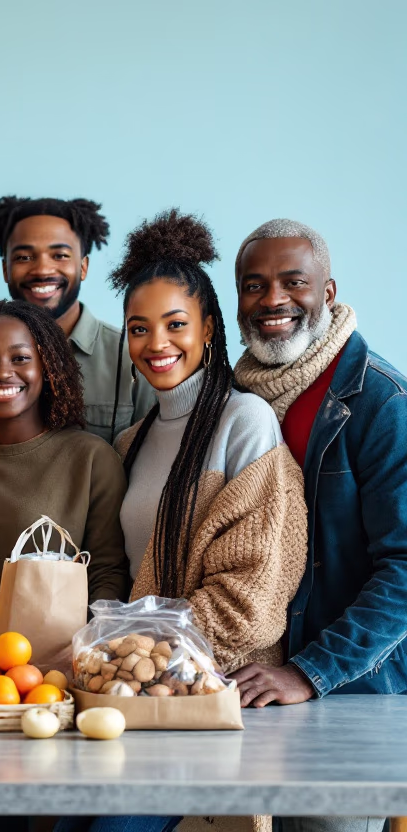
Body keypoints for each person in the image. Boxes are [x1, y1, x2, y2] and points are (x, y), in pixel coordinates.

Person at [227, 220, 407, 832]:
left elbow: (406, 567)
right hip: (253, 687)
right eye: (254, 285)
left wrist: (311, 672)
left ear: (328, 293)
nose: (272, 299)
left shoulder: (380, 400)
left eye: (292, 281)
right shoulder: (234, 398)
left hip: (350, 689)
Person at [111, 209, 308, 672]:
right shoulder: (129, 443)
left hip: (225, 686)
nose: (156, 343)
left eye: (175, 324)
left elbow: (253, 591)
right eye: (139, 329)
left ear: (208, 329)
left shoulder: (244, 421)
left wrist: (141, 653)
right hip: (140, 682)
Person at [0, 299, 128, 647]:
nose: (2, 372)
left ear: (48, 365)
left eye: (20, 358)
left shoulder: (90, 458)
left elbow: (106, 572)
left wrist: (91, 648)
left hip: (56, 660)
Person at [0, 196, 155, 440]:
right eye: (24, 257)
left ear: (83, 267)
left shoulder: (132, 356)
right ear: (5, 269)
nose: (42, 270)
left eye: (60, 255)